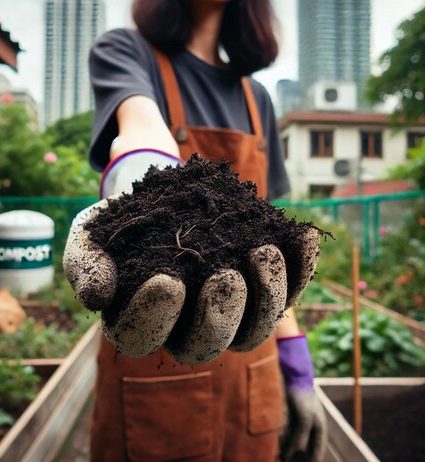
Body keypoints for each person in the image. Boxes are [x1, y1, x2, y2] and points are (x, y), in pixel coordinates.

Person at [64, 0, 326, 460]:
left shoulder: (256, 98)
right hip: (158, 349)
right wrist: (158, 204)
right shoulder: (127, 52)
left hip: (252, 362)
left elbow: (269, 255)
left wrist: (298, 366)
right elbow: (141, 127)